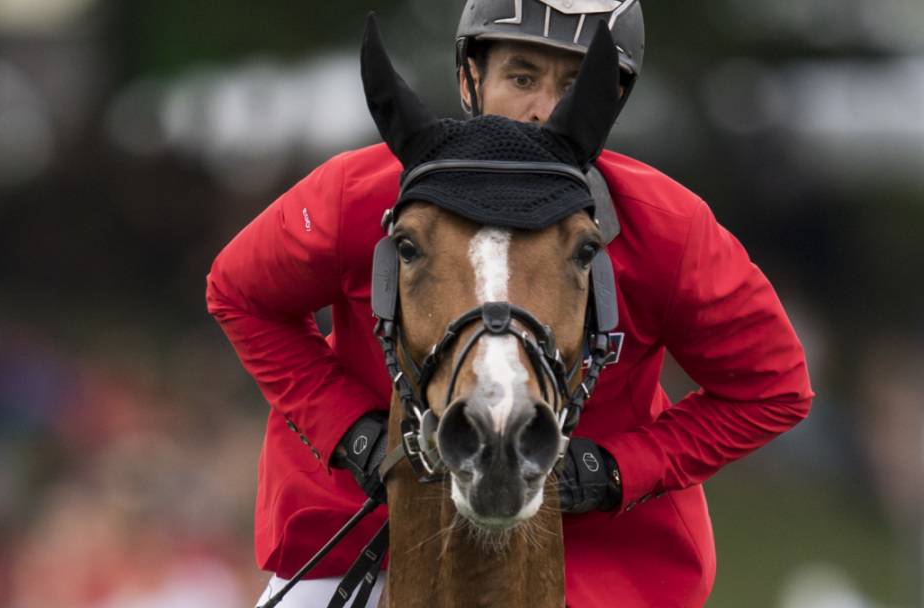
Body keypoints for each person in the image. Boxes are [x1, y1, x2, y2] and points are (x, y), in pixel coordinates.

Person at [206, 1, 813, 606]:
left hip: (600, 560)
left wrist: (616, 468)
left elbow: (774, 388)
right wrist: (352, 434)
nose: (543, 110)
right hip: (362, 536)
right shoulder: (354, 195)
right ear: (471, 77)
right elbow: (239, 295)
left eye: (573, 87)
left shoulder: (670, 229)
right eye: (521, 78)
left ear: (608, 101)